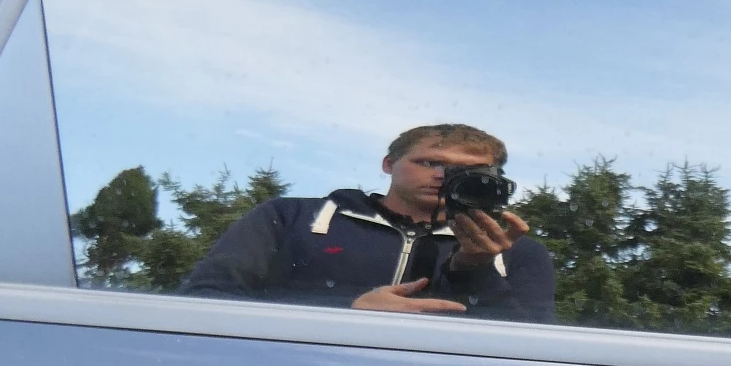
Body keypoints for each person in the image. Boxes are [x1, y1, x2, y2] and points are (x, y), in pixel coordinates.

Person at [181, 122, 556, 321]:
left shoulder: (517, 252)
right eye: (429, 162)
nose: (443, 176)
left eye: (468, 171)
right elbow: (205, 300)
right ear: (388, 164)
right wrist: (348, 312)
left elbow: (534, 348)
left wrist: (475, 271)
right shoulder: (291, 218)